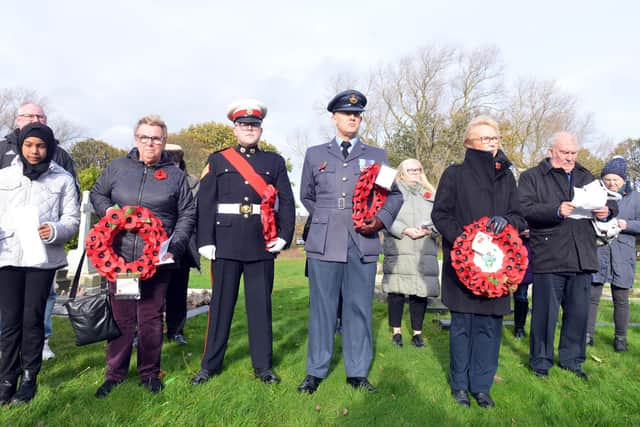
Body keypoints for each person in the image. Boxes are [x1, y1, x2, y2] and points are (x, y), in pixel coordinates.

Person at [298, 89, 403, 394]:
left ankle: (357, 372)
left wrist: (380, 219)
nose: (353, 118)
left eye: (357, 114)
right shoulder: (315, 154)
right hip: (325, 239)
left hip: (363, 239)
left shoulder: (376, 156)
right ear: (334, 118)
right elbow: (307, 194)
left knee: (359, 307)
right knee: (322, 308)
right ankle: (315, 370)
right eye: (347, 114)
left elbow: (393, 195)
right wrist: (326, 220)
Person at [90, 115, 196, 397]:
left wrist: (174, 247)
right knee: (122, 318)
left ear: (164, 141)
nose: (150, 143)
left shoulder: (175, 176)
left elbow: (187, 213)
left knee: (150, 318)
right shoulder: (117, 167)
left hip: (157, 260)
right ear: (136, 139)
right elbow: (97, 194)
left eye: (156, 138)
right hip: (120, 258)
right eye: (145, 137)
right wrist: (109, 213)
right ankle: (115, 374)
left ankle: (149, 372)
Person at [192, 99, 295, 386]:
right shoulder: (218, 159)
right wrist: (205, 240)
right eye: (244, 125)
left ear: (261, 129)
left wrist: (284, 236)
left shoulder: (274, 162)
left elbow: (286, 201)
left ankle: (263, 366)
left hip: (261, 242)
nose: (250, 129)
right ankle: (209, 365)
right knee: (221, 306)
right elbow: (205, 202)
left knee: (260, 307)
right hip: (224, 242)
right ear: (235, 129)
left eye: (255, 125)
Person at [431, 115, 525, 408]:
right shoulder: (454, 175)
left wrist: (507, 221)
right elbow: (440, 214)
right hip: (464, 267)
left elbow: (520, 216)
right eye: (485, 138)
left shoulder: (507, 177)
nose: (491, 143)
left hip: (498, 268)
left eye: (495, 138)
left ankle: (482, 386)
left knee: (489, 327)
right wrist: (465, 241)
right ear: (468, 143)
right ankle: (460, 385)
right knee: (463, 326)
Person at [519, 132, 617, 379]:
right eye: (565, 153)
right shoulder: (532, 177)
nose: (570, 158)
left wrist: (606, 212)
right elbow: (523, 209)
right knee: (544, 314)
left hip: (582, 254)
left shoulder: (586, 176)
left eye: (574, 153)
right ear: (551, 151)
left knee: (578, 313)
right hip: (550, 254)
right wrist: (555, 210)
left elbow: (611, 202)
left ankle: (572, 360)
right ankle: (541, 361)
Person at [0, 123, 79, 404]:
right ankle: (7, 377)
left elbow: (72, 220)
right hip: (8, 256)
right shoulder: (4, 176)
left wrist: (55, 230)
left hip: (41, 259)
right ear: (21, 145)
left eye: (41, 146)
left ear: (50, 148)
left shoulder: (63, 180)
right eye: (29, 145)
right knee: (9, 322)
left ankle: (29, 378)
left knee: (32, 320)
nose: (35, 151)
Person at [381, 158, 439, 348]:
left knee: (420, 291)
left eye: (418, 169)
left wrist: (430, 230)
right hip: (400, 245)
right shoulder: (393, 192)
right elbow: (385, 217)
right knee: (396, 290)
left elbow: (441, 219)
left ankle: (417, 333)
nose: (415, 172)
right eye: (410, 169)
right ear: (402, 173)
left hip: (424, 247)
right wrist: (404, 230)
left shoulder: (430, 194)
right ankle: (396, 331)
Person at [587, 156, 639, 352]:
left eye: (615, 179)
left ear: (624, 179)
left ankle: (620, 339)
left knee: (621, 298)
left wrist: (628, 225)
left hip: (623, 254)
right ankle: (587, 334)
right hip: (599, 250)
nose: (611, 183)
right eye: (607, 179)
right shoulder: (596, 195)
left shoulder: (636, 198)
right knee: (592, 296)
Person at [163, 144, 200, 345]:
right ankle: (143, 331)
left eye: (175, 161)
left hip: (181, 244)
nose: (172, 165)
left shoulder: (192, 183)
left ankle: (176, 330)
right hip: (153, 243)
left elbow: (193, 213)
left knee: (177, 290)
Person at [512, 232, 533, 338]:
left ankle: (521, 327)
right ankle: (519, 327)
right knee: (521, 296)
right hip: (519, 256)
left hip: (535, 254)